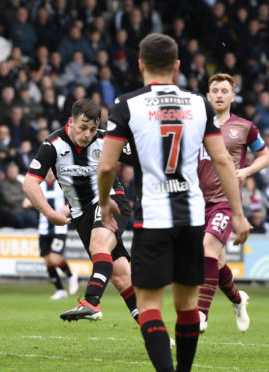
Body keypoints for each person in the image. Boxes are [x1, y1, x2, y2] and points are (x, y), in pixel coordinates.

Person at [97, 33, 251, 372]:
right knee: (188, 305)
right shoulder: (200, 104)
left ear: (140, 64)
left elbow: (107, 165)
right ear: (178, 66)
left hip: (152, 219)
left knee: (150, 305)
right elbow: (224, 161)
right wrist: (238, 214)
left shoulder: (127, 104)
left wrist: (105, 200)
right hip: (191, 219)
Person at [23, 98, 139, 323]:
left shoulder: (106, 140)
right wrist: (50, 213)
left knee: (99, 245)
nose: (88, 134)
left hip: (111, 200)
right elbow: (29, 183)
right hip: (80, 214)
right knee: (121, 276)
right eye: (83, 127)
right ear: (71, 122)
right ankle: (157, 334)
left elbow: (143, 156)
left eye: (93, 129)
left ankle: (92, 302)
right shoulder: (53, 144)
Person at [198, 73, 269, 333]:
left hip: (226, 202)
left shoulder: (244, 127)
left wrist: (247, 172)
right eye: (214, 90)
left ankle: (200, 315)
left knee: (208, 248)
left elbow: (265, 154)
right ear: (207, 96)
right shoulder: (197, 124)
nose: (218, 94)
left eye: (224, 90)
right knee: (215, 262)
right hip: (197, 202)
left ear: (232, 96)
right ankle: (239, 300)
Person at [36, 168, 79, 300]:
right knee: (48, 262)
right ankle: (60, 290)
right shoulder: (39, 185)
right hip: (43, 228)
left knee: (54, 259)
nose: (49, 171)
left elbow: (76, 199)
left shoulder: (63, 183)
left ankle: (71, 275)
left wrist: (69, 208)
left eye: (50, 168)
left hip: (59, 228)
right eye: (47, 168)